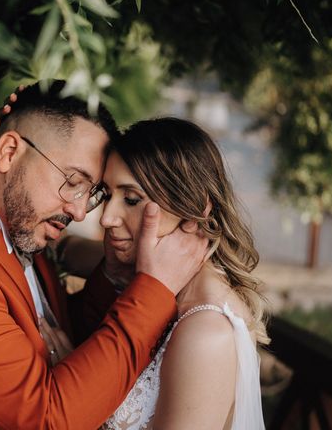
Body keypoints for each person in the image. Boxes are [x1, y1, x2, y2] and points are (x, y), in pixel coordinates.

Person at [0, 82, 209, 429]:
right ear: (10, 151)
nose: (80, 212)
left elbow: (55, 331)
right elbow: (48, 420)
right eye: (73, 181)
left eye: (91, 193)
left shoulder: (19, 226)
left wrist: (115, 276)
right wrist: (153, 289)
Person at [85, 117, 268, 430]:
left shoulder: (206, 332)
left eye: (131, 199)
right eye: (106, 194)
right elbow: (78, 253)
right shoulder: (158, 285)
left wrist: (68, 369)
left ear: (194, 208)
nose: (107, 218)